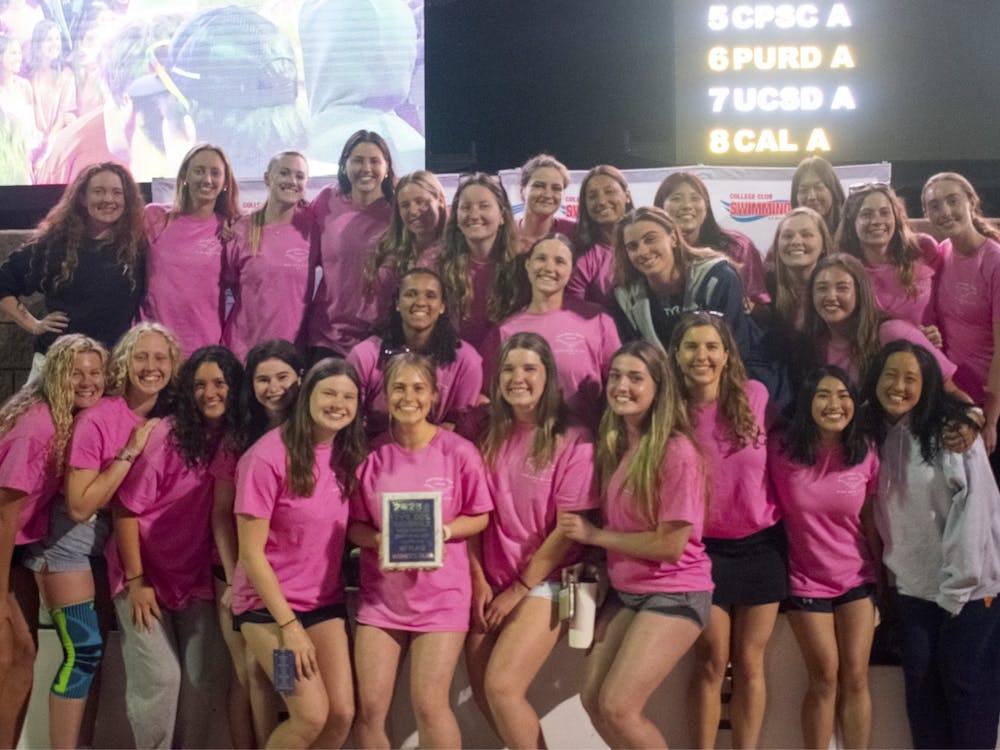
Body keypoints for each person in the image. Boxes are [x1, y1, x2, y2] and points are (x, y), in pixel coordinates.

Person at [23, 322, 177, 749]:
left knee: (94, 658)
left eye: (160, 358)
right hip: (66, 544)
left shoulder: (157, 417)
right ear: (125, 363)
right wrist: (129, 452)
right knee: (84, 651)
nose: (151, 367)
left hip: (101, 548)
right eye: (141, 357)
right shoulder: (101, 419)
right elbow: (77, 505)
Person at [558, 341, 711, 748]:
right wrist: (596, 558)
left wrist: (595, 537)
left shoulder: (677, 451)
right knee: (592, 699)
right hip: (627, 592)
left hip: (676, 590)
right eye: (616, 376)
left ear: (659, 387)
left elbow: (670, 545)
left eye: (635, 378)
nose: (622, 385)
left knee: (619, 707)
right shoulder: (616, 444)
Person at [349, 353, 492, 748]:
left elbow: (479, 516)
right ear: (385, 395)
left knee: (429, 705)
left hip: (442, 597)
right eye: (398, 388)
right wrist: (380, 540)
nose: (408, 396)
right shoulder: (371, 455)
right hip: (382, 598)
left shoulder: (459, 452)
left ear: (432, 396)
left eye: (417, 388)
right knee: (371, 709)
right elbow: (354, 526)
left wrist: (441, 530)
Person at [864, 340, 1000, 749]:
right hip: (914, 591)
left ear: (928, 386)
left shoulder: (953, 433)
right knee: (922, 696)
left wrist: (960, 586)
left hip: (972, 592)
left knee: (969, 691)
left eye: (911, 378)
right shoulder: (871, 433)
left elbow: (977, 511)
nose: (898, 386)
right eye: (890, 374)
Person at [466, 332, 596, 748]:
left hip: (550, 581)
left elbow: (567, 528)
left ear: (548, 377)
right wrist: (478, 580)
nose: (517, 377)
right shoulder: (486, 434)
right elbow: (469, 514)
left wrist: (520, 589)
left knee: (502, 687)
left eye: (528, 369)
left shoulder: (574, 438)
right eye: (508, 369)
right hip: (492, 580)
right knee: (488, 694)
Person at [108, 345, 243, 749]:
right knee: (161, 677)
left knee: (204, 678)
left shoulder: (236, 441)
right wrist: (137, 580)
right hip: (140, 573)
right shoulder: (166, 437)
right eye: (199, 385)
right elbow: (125, 511)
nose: (210, 393)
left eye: (219, 383)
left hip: (194, 577)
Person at [234, 358, 366, 749]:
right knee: (309, 717)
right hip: (268, 610)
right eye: (329, 393)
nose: (338, 403)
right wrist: (289, 628)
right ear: (307, 393)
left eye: (349, 396)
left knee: (341, 715)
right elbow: (251, 554)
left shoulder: (345, 456)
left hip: (323, 603)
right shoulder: (266, 457)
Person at [667, 312, 783, 749]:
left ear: (727, 352)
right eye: (692, 347)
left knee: (751, 663)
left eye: (712, 346)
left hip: (761, 546)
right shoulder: (669, 411)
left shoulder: (755, 395)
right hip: (701, 551)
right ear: (676, 356)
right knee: (712, 660)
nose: (703, 356)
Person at [0, 333, 106, 749]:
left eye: (94, 372)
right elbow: (5, 517)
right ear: (55, 375)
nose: (86, 381)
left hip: (20, 550)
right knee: (8, 657)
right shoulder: (39, 427)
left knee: (23, 655)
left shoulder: (65, 421)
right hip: (7, 544)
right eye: (75, 372)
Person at [770, 366, 879, 749]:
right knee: (824, 678)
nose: (835, 404)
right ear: (807, 403)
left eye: (843, 396)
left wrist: (883, 584)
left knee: (857, 677)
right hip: (805, 580)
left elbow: (869, 520)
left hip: (858, 579)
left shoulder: (865, 450)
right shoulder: (780, 450)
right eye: (823, 395)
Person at [212, 339, 303, 747]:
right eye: (263, 379)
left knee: (281, 674)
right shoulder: (240, 437)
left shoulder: (311, 431)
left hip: (290, 579)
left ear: (300, 379)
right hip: (238, 573)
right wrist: (234, 579)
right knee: (247, 670)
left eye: (282, 376)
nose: (274, 387)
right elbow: (220, 513)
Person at [0, 162, 146, 378]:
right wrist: (34, 325)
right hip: (57, 366)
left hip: (110, 369)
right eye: (99, 191)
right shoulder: (54, 245)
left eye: (117, 192)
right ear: (82, 197)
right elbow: (4, 281)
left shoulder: (136, 247)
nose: (108, 199)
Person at [483, 233, 620, 429]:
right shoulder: (505, 330)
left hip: (586, 443)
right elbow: (487, 395)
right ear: (528, 265)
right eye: (541, 259)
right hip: (526, 446)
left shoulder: (596, 320)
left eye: (559, 261)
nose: (549, 268)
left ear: (572, 271)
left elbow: (618, 380)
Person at [348, 267, 481, 439]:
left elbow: (457, 424)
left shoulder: (467, 361)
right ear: (397, 303)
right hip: (372, 448)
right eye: (411, 294)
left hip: (435, 453)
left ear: (442, 307)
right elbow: (351, 417)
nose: (420, 302)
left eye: (431, 295)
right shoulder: (365, 355)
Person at [921, 172, 1000, 461]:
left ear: (971, 202)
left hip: (989, 405)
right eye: (935, 205)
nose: (945, 211)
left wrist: (990, 419)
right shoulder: (941, 254)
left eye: (953, 201)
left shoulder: (994, 261)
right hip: (954, 399)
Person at [140, 143, 240, 356]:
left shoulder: (230, 229)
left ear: (225, 183)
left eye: (215, 173)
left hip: (204, 348)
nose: (207, 179)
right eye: (199, 171)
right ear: (185, 175)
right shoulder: (155, 218)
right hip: (154, 346)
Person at [304, 129, 396, 360]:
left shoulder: (399, 210)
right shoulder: (326, 200)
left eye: (374, 161)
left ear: (387, 168)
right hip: (327, 336)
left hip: (381, 338)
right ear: (344, 165)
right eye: (358, 160)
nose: (366, 168)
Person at [804, 253, 959, 390]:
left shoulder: (892, 332)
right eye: (822, 288)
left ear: (860, 292)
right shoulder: (814, 344)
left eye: (842, 288)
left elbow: (950, 387)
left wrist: (968, 416)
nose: (831, 296)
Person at [221, 151, 313, 362]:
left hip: (291, 356)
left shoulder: (312, 229)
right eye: (284, 173)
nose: (292, 181)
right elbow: (227, 287)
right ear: (267, 178)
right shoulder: (241, 229)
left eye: (300, 176)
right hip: (243, 353)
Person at [836, 182, 940, 340]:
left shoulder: (923, 249)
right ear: (852, 222)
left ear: (896, 218)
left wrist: (932, 332)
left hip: (921, 354)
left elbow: (940, 306)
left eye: (884, 213)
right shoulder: (842, 268)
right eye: (866, 214)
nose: (877, 221)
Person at [654, 171, 768, 307]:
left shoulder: (738, 246)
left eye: (695, 198)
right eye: (676, 199)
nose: (686, 206)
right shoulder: (653, 251)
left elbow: (763, 308)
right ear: (660, 208)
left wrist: (749, 306)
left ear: (706, 207)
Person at [438, 172, 520, 350]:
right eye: (465, 207)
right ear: (456, 217)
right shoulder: (438, 267)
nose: (474, 215)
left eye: (484, 206)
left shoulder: (521, 267)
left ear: (502, 216)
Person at [364, 169, 447, 305]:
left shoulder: (460, 247)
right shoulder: (388, 250)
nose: (413, 211)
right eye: (405, 205)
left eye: (421, 202)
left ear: (441, 201)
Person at [566, 164, 632, 309]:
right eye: (592, 196)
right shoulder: (582, 258)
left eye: (609, 191)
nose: (601, 201)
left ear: (627, 196)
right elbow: (574, 311)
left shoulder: (647, 246)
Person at [26, 19, 76, 145]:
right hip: (32, 140)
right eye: (49, 39)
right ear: (38, 43)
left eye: (57, 39)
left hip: (55, 141)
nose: (55, 44)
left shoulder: (66, 75)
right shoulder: (29, 75)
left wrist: (47, 143)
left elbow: (62, 116)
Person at [516, 153, 576, 252]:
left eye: (556, 188)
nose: (548, 195)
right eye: (539, 186)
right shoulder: (504, 234)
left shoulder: (574, 233)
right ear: (522, 191)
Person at [790, 156, 846, 238]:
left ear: (833, 190)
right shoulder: (788, 236)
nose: (811, 197)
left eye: (818, 187)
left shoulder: (850, 234)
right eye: (804, 190)